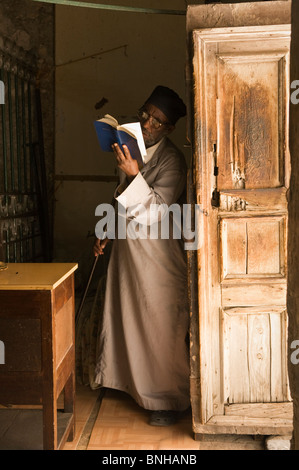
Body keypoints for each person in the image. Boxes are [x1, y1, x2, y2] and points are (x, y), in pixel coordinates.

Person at [93, 86, 190, 426]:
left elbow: (157, 210)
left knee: (158, 324)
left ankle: (168, 399)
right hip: (128, 253)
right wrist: (106, 230)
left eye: (156, 121)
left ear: (169, 129)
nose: (147, 123)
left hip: (157, 257)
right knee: (127, 317)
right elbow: (120, 196)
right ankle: (129, 385)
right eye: (145, 114)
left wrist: (134, 174)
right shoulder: (130, 146)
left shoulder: (172, 160)